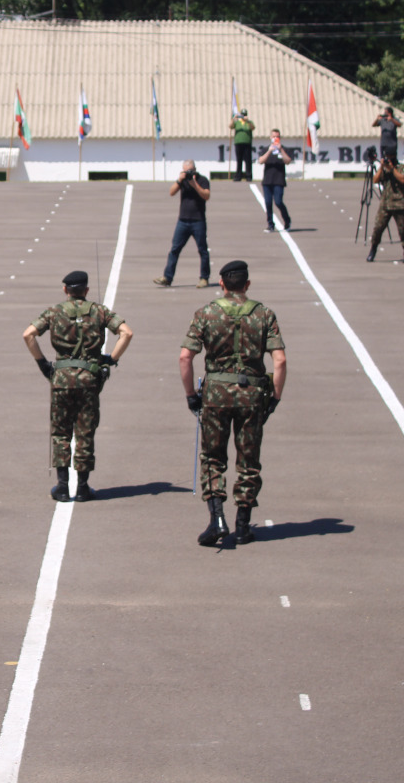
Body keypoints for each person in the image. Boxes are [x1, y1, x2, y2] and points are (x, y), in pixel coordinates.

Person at [180, 260, 286, 546]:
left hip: (215, 395)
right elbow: (280, 360)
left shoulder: (206, 313)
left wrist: (191, 395)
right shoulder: (264, 314)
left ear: (223, 284)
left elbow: (185, 357)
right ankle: (243, 523)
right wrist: (275, 397)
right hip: (252, 395)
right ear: (247, 285)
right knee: (248, 460)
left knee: (213, 457)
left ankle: (216, 519)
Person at [23, 270, 133, 502]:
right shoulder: (99, 311)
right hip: (89, 380)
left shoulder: (55, 312)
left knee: (61, 431)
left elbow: (29, 335)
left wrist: (43, 363)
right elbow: (126, 332)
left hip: (61, 379)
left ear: (66, 290)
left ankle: (62, 487)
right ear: (87, 290)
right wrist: (110, 359)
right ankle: (83, 487)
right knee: (85, 432)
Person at [153, 160, 211, 289]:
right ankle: (167, 277)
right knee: (174, 250)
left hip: (198, 220)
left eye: (190, 170)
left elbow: (206, 195)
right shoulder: (183, 180)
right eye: (185, 170)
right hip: (183, 221)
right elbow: (171, 192)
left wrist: (194, 184)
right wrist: (180, 180)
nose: (188, 173)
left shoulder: (202, 180)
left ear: (195, 169)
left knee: (203, 250)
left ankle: (204, 278)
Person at [365, 146, 404, 263]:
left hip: (399, 203)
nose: (388, 160)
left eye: (390, 158)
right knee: (378, 228)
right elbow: (375, 180)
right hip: (385, 204)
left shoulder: (402, 168)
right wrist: (381, 167)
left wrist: (392, 169)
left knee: (402, 230)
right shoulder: (384, 168)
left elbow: (403, 180)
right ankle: (373, 249)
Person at [259, 129, 292, 232]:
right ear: (270, 137)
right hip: (267, 181)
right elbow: (261, 161)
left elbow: (288, 161)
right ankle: (270, 224)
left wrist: (280, 149)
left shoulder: (284, 149)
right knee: (268, 203)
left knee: (278, 202)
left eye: (277, 137)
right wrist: (270, 150)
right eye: (273, 137)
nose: (275, 138)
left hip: (279, 181)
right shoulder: (266, 149)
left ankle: (287, 220)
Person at [230, 109, 255, 182]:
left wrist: (248, 121)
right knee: (239, 160)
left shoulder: (249, 122)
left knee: (248, 160)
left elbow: (253, 128)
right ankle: (238, 176)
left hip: (247, 143)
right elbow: (231, 126)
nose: (243, 116)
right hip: (238, 143)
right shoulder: (237, 123)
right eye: (242, 115)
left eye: (245, 115)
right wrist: (233, 119)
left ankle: (249, 176)